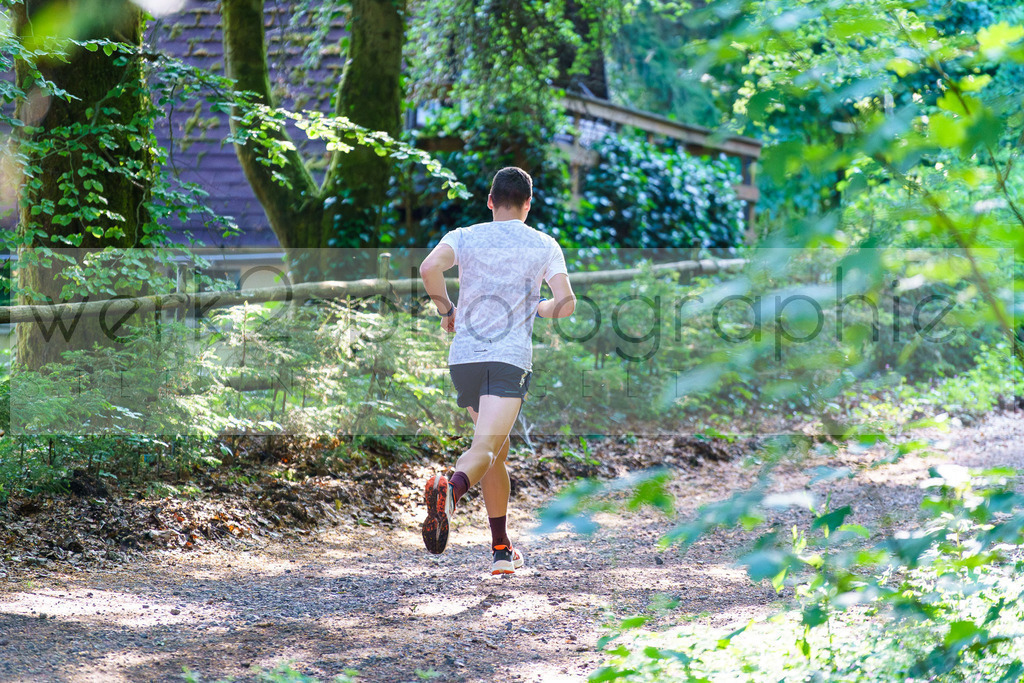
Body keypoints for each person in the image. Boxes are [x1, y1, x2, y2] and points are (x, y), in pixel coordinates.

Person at [418, 166, 576, 575]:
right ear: (528, 204)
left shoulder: (465, 236)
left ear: (490, 201)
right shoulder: (544, 244)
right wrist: (541, 307)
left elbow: (428, 269)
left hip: (465, 359)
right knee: (486, 449)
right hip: (506, 360)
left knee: (496, 453)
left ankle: (502, 550)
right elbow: (566, 302)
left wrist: (446, 309)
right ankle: (448, 495)